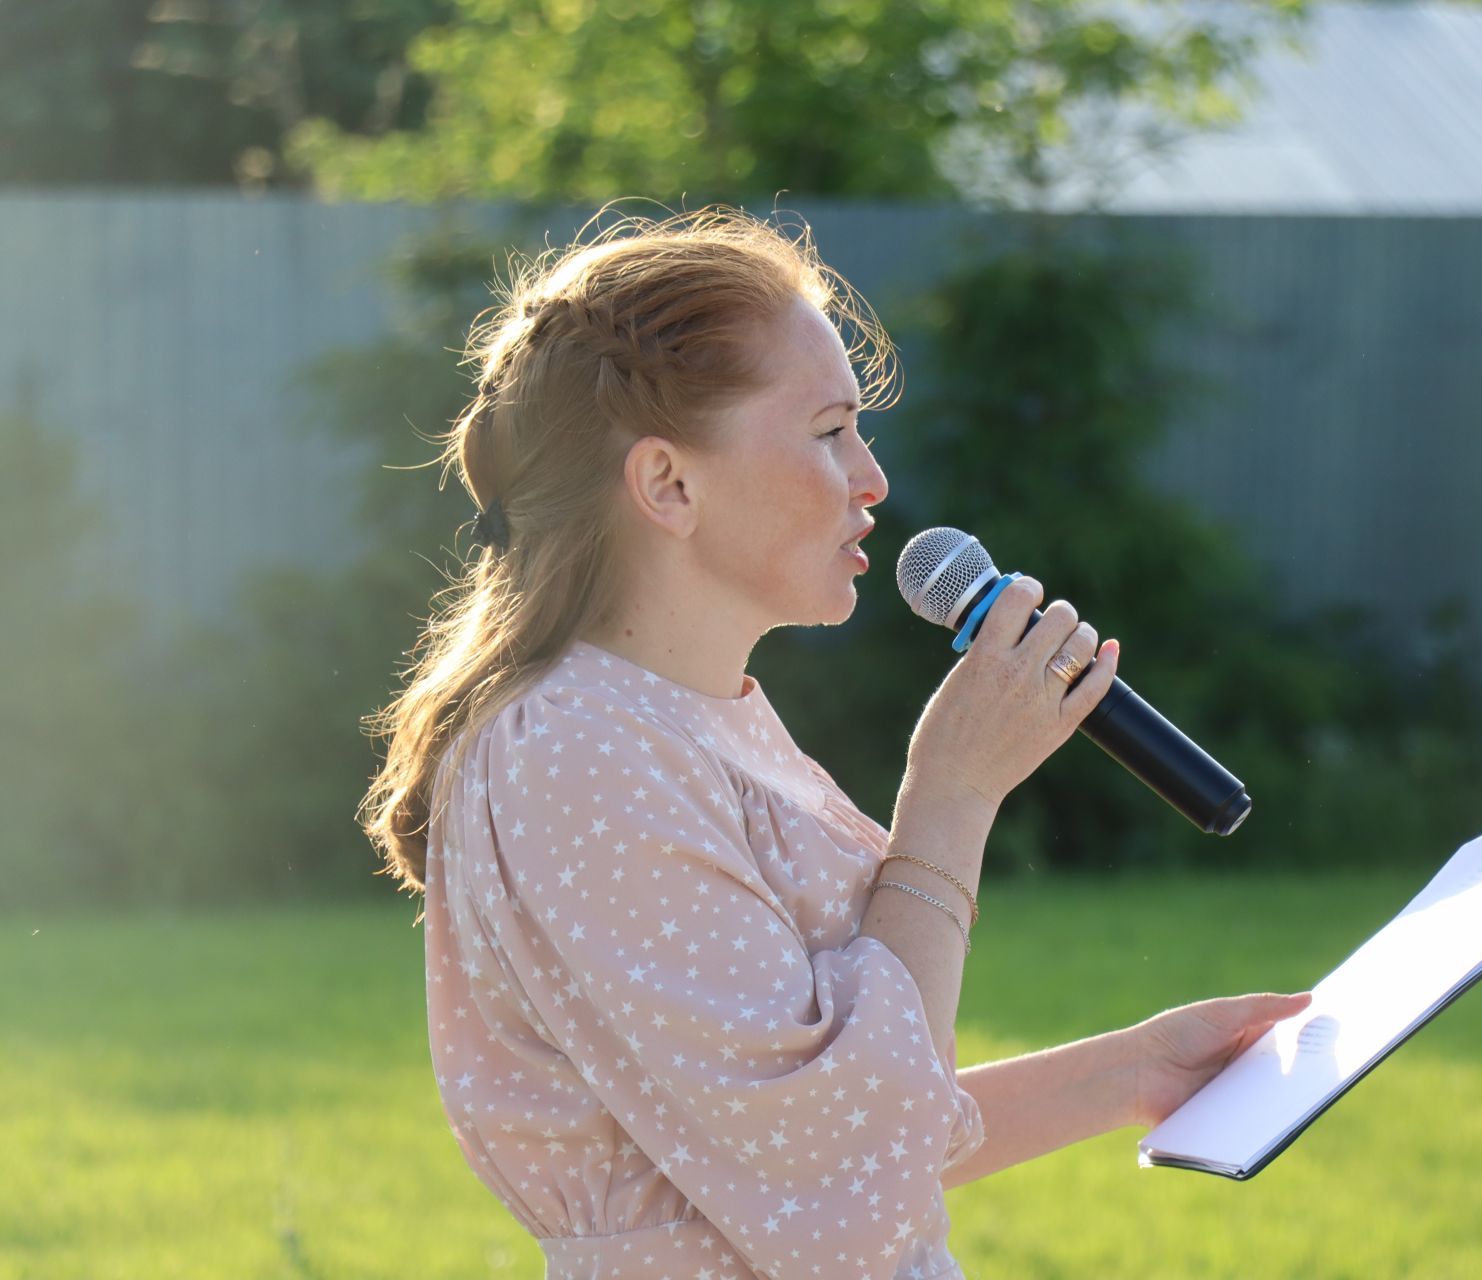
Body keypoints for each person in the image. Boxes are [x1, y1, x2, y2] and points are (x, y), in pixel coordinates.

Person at [358, 205, 1311, 1279]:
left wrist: (1132, 1071)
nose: (873, 478)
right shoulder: (575, 754)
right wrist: (951, 795)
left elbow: (828, 1129)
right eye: (828, 431)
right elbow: (840, 1168)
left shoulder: (683, 719)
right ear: (669, 483)